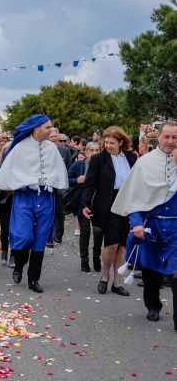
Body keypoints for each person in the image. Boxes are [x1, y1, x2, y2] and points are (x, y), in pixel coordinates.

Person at [111, 120, 177, 330]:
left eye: (175, 137)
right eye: (167, 136)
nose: (171, 141)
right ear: (159, 137)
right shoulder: (144, 163)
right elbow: (134, 197)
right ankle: (153, 305)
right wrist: (137, 224)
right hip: (152, 226)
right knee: (151, 272)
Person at [0, 115, 68, 293]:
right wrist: (27, 180)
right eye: (48, 127)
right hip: (25, 196)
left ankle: (33, 278)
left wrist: (52, 182)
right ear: (37, 129)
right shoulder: (20, 147)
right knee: (23, 236)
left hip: (45, 197)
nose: (51, 131)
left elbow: (58, 171)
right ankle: (19, 265)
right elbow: (11, 171)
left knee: (40, 239)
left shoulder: (52, 148)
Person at [81, 126, 137, 296]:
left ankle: (117, 282)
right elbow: (90, 183)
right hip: (108, 204)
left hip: (128, 203)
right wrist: (85, 203)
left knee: (122, 245)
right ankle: (104, 276)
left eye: (112, 142)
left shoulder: (131, 157)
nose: (108, 145)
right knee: (111, 243)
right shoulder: (98, 159)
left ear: (121, 142)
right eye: (106, 142)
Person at [67, 141, 103, 272]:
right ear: (86, 152)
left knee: (98, 232)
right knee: (85, 232)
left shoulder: (104, 165)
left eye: (97, 150)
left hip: (99, 203)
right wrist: (77, 180)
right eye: (91, 151)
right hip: (82, 203)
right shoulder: (79, 165)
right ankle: (84, 261)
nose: (94, 153)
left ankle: (96, 257)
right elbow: (67, 179)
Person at [48, 128, 72, 247]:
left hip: (60, 187)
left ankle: (58, 236)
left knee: (59, 213)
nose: (53, 138)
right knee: (48, 212)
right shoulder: (43, 150)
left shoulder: (65, 150)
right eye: (51, 136)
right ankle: (49, 237)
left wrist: (65, 187)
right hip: (47, 186)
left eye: (54, 137)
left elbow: (68, 169)